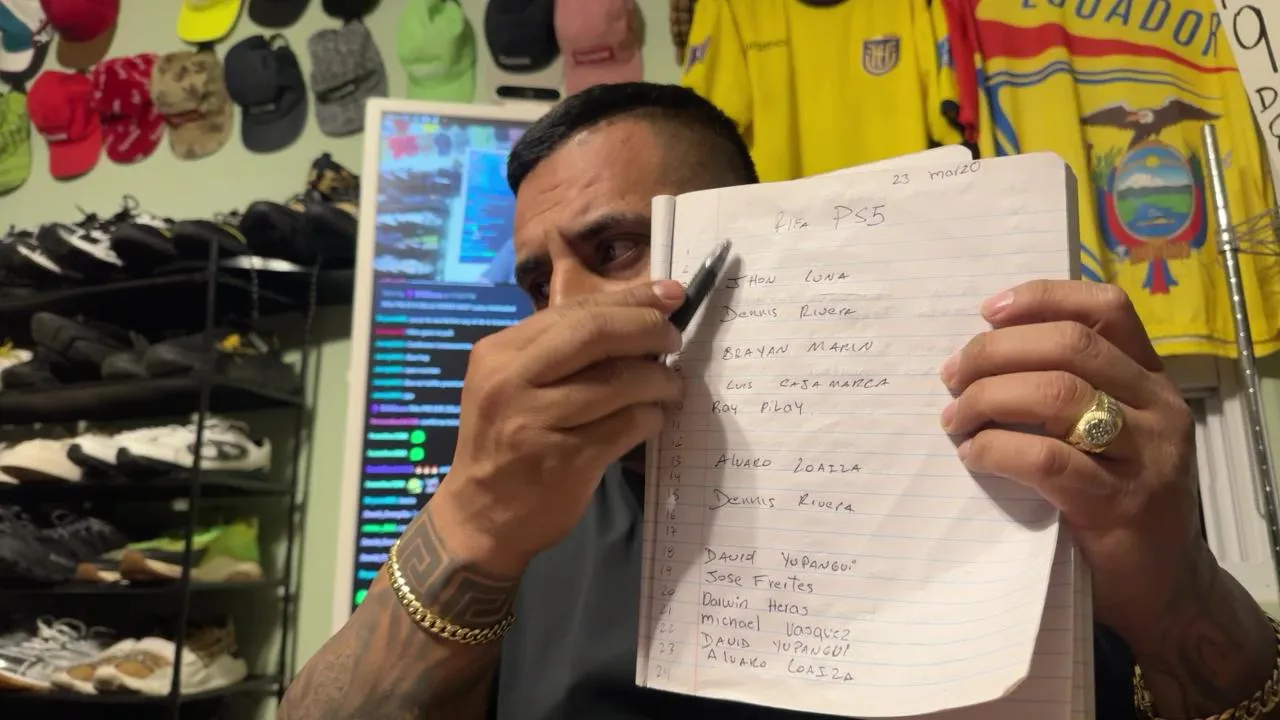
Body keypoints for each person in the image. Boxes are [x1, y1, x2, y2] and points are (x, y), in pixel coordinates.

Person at [280, 83, 1279, 720]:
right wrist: (469, 524)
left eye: (614, 248)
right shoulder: (510, 514)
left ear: (758, 242)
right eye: (537, 283)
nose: (561, 312)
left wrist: (1175, 586)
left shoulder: (1014, 445)